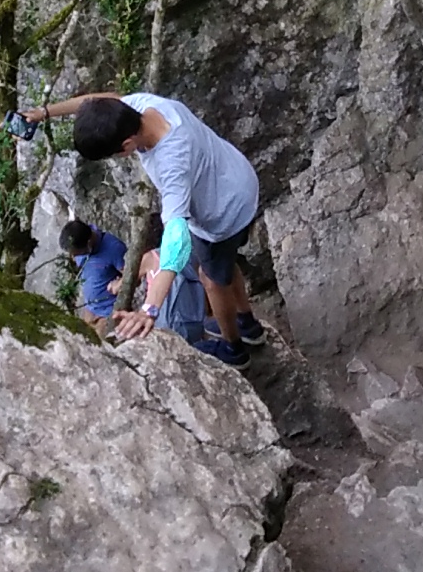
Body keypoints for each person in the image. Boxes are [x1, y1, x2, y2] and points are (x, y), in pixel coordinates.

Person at [18, 90, 264, 366]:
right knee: (224, 264)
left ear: (125, 145)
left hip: (222, 212)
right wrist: (43, 113)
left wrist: (149, 309)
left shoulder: (172, 162)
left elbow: (176, 240)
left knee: (212, 278)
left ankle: (235, 349)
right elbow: (97, 100)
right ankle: (247, 323)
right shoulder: (136, 107)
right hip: (236, 178)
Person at [61, 217, 127, 334]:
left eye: (77, 254)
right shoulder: (79, 240)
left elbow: (134, 276)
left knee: (98, 347)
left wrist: (119, 284)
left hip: (108, 312)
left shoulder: (114, 248)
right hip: (90, 309)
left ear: (89, 243)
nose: (73, 257)